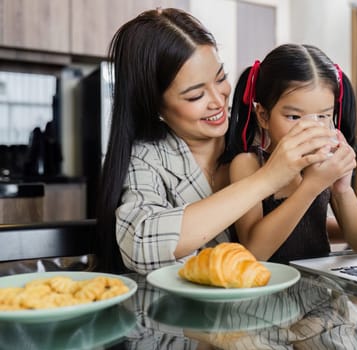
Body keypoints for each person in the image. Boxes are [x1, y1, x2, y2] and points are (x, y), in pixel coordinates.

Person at [95, 8, 340, 274]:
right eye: (195, 96)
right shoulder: (146, 158)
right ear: (156, 104)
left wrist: (345, 224)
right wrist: (267, 178)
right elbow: (140, 245)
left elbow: (290, 222)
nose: (218, 100)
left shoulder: (257, 130)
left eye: (221, 78)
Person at [222, 44, 357, 263]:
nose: (309, 128)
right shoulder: (249, 164)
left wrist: (342, 189)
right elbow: (254, 253)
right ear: (262, 115)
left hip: (318, 290)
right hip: (268, 290)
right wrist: (312, 185)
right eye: (294, 117)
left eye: (323, 116)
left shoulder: (322, 162)